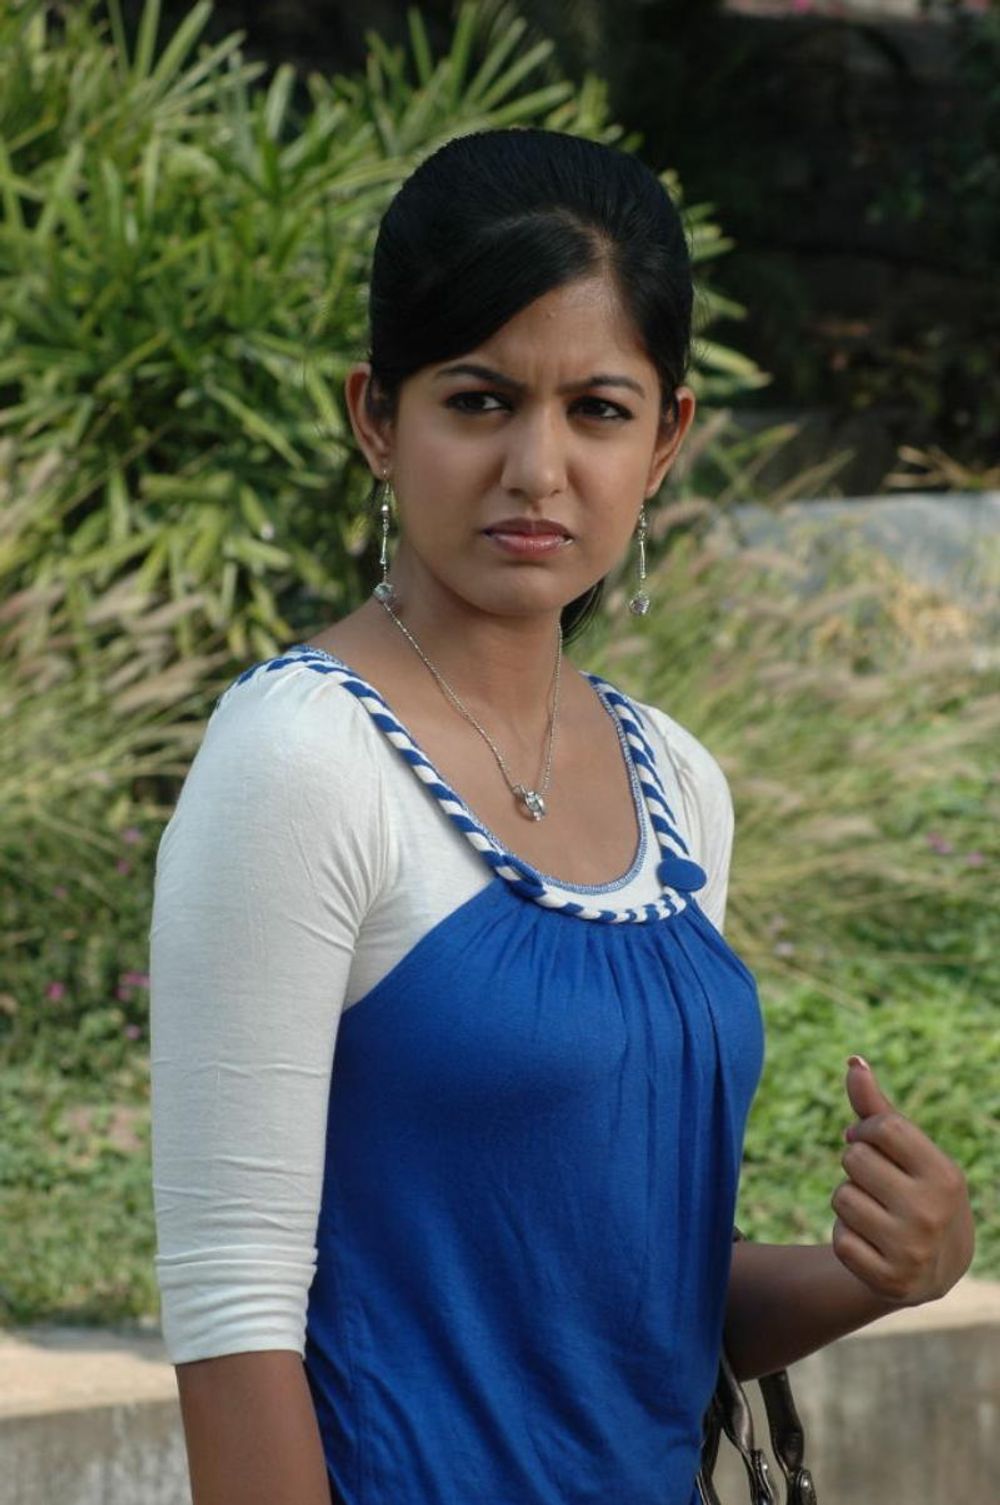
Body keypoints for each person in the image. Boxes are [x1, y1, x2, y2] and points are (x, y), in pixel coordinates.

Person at [149, 128, 974, 1505]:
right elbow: (234, 1308)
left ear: (667, 439)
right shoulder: (301, 759)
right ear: (376, 417)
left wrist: (886, 1273)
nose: (538, 466)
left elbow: (634, 1303)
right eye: (479, 400)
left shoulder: (679, 785)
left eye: (597, 409)